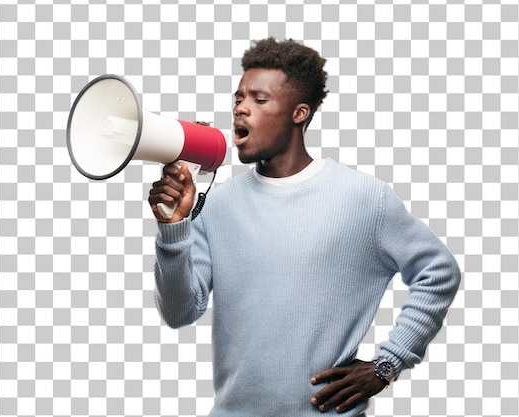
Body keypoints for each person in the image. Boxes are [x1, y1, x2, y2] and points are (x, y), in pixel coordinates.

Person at [147, 38, 461, 416]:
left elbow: (438, 272)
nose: (240, 110)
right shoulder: (215, 204)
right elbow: (180, 312)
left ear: (299, 113)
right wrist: (173, 229)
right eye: (238, 98)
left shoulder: (363, 199)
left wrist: (387, 364)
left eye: (259, 100)